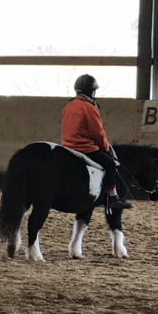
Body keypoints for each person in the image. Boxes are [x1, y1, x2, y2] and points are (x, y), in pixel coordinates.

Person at [61, 74, 133, 211]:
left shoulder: (69, 106)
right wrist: (105, 147)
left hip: (67, 147)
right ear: (92, 91)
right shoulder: (90, 108)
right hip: (85, 148)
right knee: (111, 164)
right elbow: (97, 133)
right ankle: (112, 197)